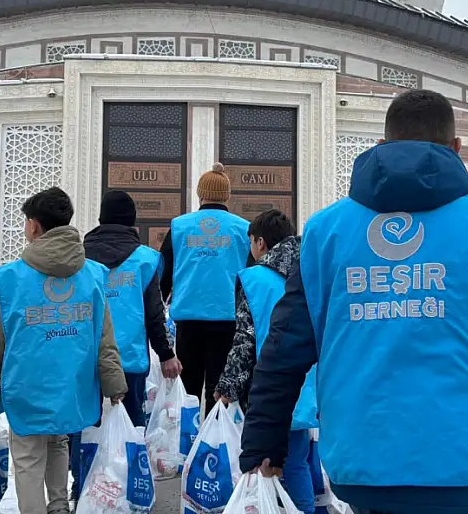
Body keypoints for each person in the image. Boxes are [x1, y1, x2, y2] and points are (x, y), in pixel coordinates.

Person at [238, 89, 468, 514]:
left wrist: (263, 446)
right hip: (465, 463)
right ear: (456, 149)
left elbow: (284, 350)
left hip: (363, 462)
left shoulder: (325, 232)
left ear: (380, 147)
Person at [0, 186, 128, 514]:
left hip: (27, 390)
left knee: (27, 461)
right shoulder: (93, 275)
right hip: (73, 387)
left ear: (35, 226)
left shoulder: (10, 278)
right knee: (58, 444)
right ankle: (58, 507)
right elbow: (104, 338)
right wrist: (114, 384)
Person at [215, 209, 317, 514]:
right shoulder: (311, 271)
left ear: (260, 242)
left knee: (270, 464)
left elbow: (245, 339)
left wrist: (227, 384)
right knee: (299, 461)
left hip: (270, 383)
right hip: (311, 384)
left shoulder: (254, 278)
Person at [84, 189, 184, 426]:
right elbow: (154, 313)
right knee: (133, 426)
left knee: (86, 428)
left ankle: (82, 464)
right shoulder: (145, 259)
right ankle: (131, 463)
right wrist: (165, 353)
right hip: (129, 356)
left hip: (87, 356)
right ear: (132, 221)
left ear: (101, 219)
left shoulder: (81, 257)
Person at [159, 163, 251, 413]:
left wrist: (160, 304)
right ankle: (214, 443)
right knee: (219, 389)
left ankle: (187, 442)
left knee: (188, 387)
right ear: (227, 196)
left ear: (200, 193)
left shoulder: (180, 226)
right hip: (227, 318)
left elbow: (164, 274)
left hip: (188, 318)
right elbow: (252, 275)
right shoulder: (243, 228)